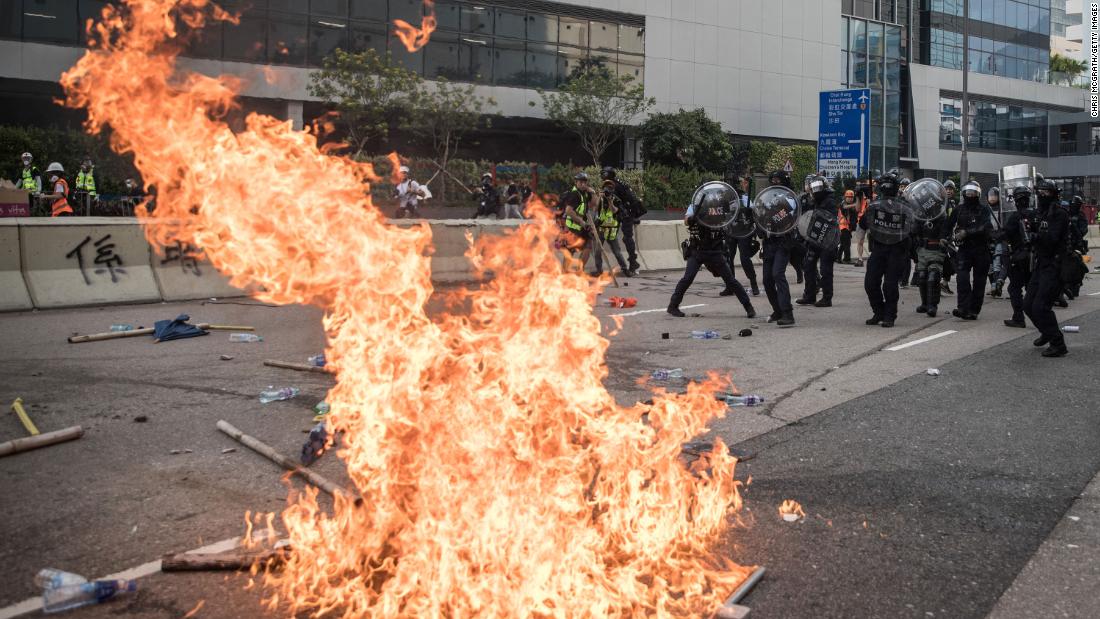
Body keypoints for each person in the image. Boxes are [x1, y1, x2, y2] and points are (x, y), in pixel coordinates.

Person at [668, 182, 756, 318]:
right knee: (687, 278)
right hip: (697, 249)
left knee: (730, 280)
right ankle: (673, 306)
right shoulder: (695, 207)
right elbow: (686, 220)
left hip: (714, 249)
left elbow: (734, 215)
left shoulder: (721, 208)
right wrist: (692, 219)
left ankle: (748, 307)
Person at [1023, 178, 1070, 357]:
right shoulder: (1039, 212)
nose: (1042, 195)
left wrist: (1035, 236)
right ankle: (1046, 331)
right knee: (1027, 305)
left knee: (1041, 306)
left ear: (1054, 194)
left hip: (1055, 265)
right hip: (1041, 263)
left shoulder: (1060, 214)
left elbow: (1051, 239)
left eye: (1046, 192)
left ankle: (1058, 344)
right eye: (1040, 192)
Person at [859, 172, 910, 327]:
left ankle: (889, 315)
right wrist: (870, 209)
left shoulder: (904, 206)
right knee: (870, 282)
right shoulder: (875, 205)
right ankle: (878, 311)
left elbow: (911, 227)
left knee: (889, 285)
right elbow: (863, 224)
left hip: (897, 249)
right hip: (879, 248)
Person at [946, 181, 994, 320]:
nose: (970, 195)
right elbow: (948, 225)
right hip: (964, 249)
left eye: (973, 193)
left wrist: (967, 232)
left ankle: (974, 310)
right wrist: (945, 238)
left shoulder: (984, 209)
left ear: (978, 194)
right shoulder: (959, 209)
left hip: (981, 249)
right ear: (963, 193)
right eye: (968, 192)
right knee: (962, 279)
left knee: (979, 282)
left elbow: (986, 227)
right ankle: (962, 307)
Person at [759, 170, 798, 327]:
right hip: (769, 242)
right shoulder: (767, 198)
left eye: (778, 180)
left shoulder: (790, 198)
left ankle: (788, 313)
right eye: (772, 180)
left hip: (783, 241)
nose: (775, 182)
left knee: (778, 274)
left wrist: (777, 205)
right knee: (767, 280)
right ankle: (777, 310)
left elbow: (791, 212)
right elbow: (761, 216)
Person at [796, 175, 838, 307]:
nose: (814, 191)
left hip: (828, 240)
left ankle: (827, 298)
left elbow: (824, 218)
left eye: (817, 189)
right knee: (808, 266)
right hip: (814, 239)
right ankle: (809, 295)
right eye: (813, 189)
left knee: (825, 269)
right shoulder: (812, 201)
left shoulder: (829, 201)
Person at [1001, 186, 1037, 328]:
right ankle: (1037, 315)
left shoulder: (1015, 217)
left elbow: (1005, 235)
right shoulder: (1035, 214)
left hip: (1019, 258)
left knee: (1014, 288)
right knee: (1031, 287)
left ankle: (1019, 317)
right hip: (1033, 257)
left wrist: (992, 233)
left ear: (1016, 200)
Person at [601, 167, 645, 276]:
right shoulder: (616, 184)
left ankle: (633, 263)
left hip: (627, 213)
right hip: (621, 211)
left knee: (627, 238)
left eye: (604, 175)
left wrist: (632, 216)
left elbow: (630, 200)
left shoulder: (616, 185)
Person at [723, 176, 760, 296]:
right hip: (730, 232)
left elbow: (756, 215)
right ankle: (730, 286)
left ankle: (754, 283)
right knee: (728, 259)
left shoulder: (745, 199)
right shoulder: (725, 201)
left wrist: (750, 212)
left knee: (744, 259)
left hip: (744, 232)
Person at [592, 180, 630, 277]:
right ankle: (599, 270)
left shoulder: (616, 199)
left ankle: (625, 269)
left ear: (613, 189)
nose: (607, 189)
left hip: (612, 230)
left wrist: (609, 201)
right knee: (597, 251)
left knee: (617, 252)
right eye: (605, 187)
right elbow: (595, 209)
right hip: (601, 229)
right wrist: (599, 197)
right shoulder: (600, 199)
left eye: (610, 188)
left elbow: (614, 211)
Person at [557, 172, 595, 269]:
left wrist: (593, 193)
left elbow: (594, 205)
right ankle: (564, 274)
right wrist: (581, 222)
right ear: (576, 182)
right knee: (570, 251)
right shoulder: (574, 194)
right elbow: (569, 211)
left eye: (585, 182)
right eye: (580, 182)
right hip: (573, 227)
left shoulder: (585, 193)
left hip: (582, 227)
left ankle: (579, 271)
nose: (583, 184)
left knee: (588, 246)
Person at [1063, 195, 1090, 299]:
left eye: (1077, 205)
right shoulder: (1066, 214)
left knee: (1079, 268)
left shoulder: (1081, 216)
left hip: (1077, 244)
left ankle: (1076, 286)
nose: (1075, 206)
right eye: (1074, 204)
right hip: (1066, 244)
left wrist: (1075, 230)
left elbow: (1083, 230)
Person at [987, 187, 1009, 297]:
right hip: (988, 239)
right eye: (990, 196)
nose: (992, 198)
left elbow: (1005, 225)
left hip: (1000, 239)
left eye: (994, 196)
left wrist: (999, 236)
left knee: (997, 262)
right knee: (989, 265)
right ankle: (994, 286)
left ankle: (996, 285)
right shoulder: (986, 210)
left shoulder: (1003, 210)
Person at [941, 180, 958, 294]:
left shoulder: (952, 203)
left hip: (949, 237)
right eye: (946, 189)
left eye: (950, 189)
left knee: (953, 260)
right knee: (948, 261)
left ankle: (944, 282)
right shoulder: (940, 202)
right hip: (942, 237)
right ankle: (940, 283)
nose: (948, 191)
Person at [852, 180, 872, 266]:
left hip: (870, 220)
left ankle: (873, 257)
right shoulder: (859, 197)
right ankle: (860, 259)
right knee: (860, 241)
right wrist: (857, 197)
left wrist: (870, 200)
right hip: (861, 220)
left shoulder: (872, 196)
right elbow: (857, 209)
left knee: (872, 240)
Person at [838, 189, 858, 264]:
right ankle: (847, 259)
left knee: (843, 244)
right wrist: (855, 204)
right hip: (843, 227)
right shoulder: (843, 204)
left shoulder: (851, 206)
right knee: (846, 244)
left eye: (851, 197)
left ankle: (838, 258)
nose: (850, 198)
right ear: (845, 197)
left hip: (847, 227)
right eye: (848, 197)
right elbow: (845, 207)